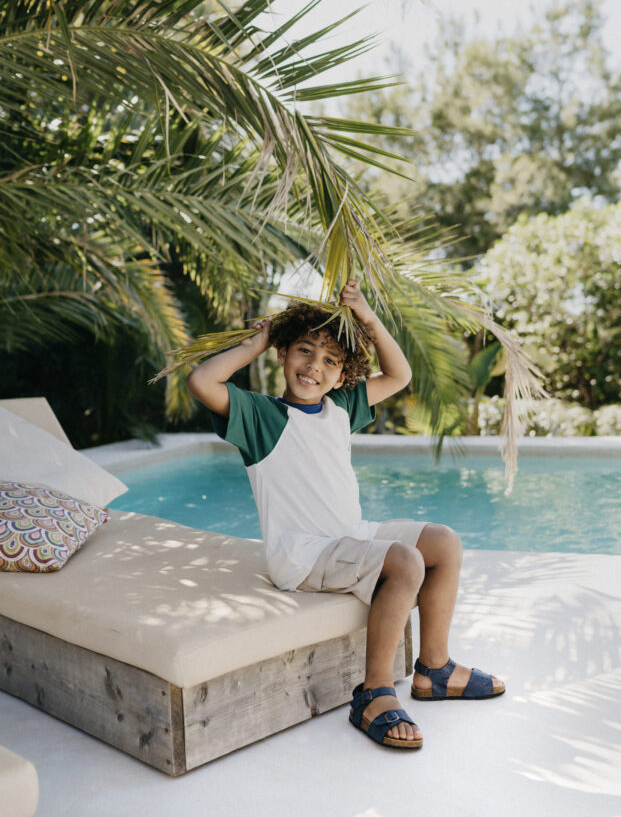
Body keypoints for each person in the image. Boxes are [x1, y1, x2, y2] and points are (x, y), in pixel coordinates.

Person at [187, 279, 504, 750]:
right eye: (303, 351)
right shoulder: (261, 416)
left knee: (443, 542)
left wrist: (368, 319)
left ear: (341, 375)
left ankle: (433, 669)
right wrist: (256, 342)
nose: (314, 366)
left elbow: (399, 376)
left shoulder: (340, 408)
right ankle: (374, 694)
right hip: (304, 554)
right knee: (405, 561)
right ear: (283, 354)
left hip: (347, 535)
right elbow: (201, 382)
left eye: (330, 360)